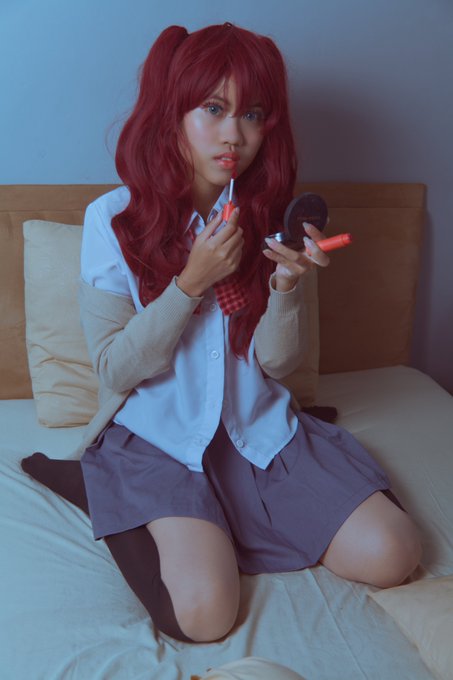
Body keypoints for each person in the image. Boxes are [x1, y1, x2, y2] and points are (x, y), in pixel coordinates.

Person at [21, 22, 421, 644]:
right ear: (173, 113)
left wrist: (286, 286)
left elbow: (276, 365)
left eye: (252, 114)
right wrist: (189, 284)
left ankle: (231, 514)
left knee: (395, 553)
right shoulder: (112, 220)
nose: (234, 134)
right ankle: (101, 486)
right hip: (158, 438)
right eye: (213, 108)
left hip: (253, 427)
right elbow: (114, 369)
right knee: (204, 617)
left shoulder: (269, 217)